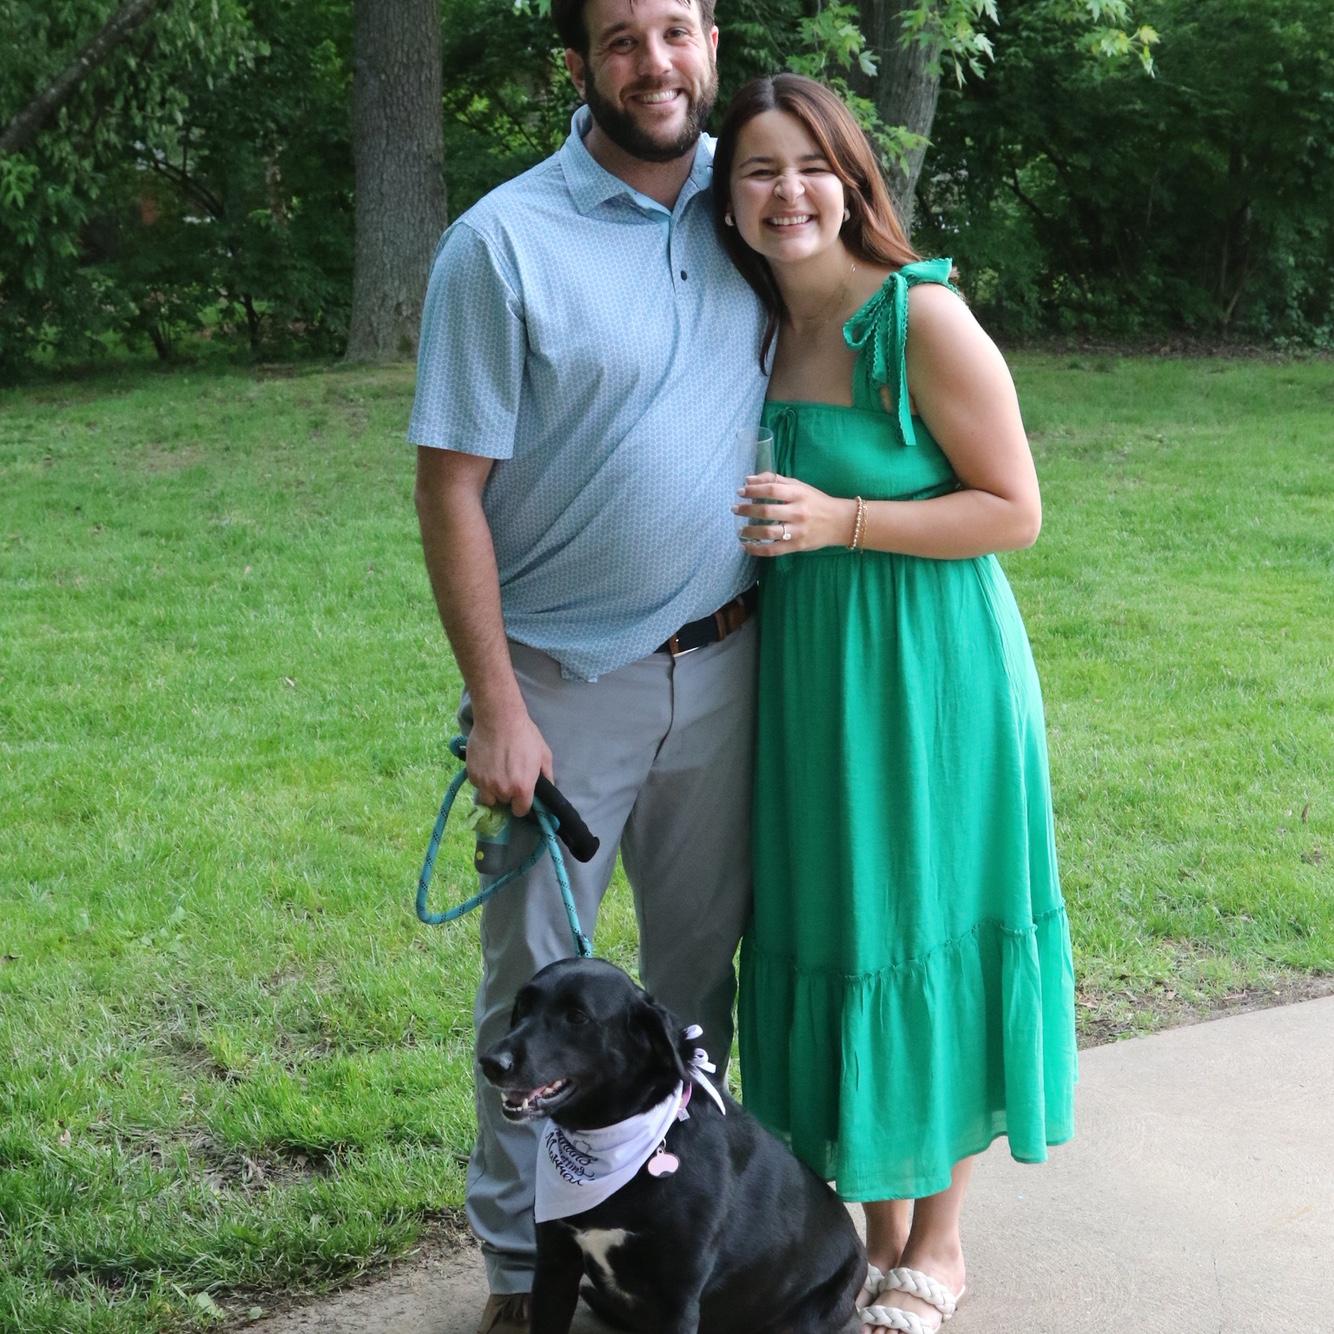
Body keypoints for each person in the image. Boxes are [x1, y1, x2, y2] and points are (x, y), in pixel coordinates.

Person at [407, 2, 768, 1331]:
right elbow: (450, 489)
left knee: (701, 981)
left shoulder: (755, 197)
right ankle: (521, 1273)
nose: (652, 62)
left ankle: (680, 1244)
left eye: (674, 28)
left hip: (733, 666)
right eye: (619, 38)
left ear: (711, 43)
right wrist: (497, 706)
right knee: (533, 999)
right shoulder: (499, 243)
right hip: (558, 689)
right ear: (578, 66)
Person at [714, 74, 1078, 1333]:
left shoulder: (916, 318)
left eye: (808, 165)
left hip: (929, 676)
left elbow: (1014, 509)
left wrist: (841, 518)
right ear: (731, 198)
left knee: (927, 919)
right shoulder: (756, 323)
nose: (785, 192)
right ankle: (872, 1236)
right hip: (813, 681)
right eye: (757, 170)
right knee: (842, 922)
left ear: (852, 180)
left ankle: (940, 1246)